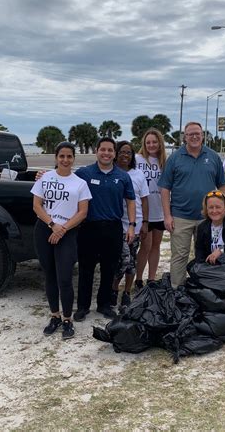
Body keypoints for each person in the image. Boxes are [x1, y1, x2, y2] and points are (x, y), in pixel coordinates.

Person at [31, 142, 92, 339]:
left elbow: (83, 212)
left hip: (67, 233)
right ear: (56, 158)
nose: (65, 160)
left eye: (69, 156)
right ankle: (54, 316)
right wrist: (52, 225)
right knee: (49, 274)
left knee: (64, 277)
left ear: (74, 158)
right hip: (45, 230)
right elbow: (37, 205)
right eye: (61, 156)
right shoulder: (45, 178)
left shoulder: (79, 183)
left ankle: (67, 319)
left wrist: (63, 229)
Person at [158, 121, 225, 287]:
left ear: (203, 135)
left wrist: (224, 210)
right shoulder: (175, 158)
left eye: (198, 133)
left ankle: (204, 290)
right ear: (185, 137)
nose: (195, 136)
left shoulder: (213, 157)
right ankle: (177, 291)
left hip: (207, 217)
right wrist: (167, 216)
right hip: (181, 216)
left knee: (206, 255)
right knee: (179, 256)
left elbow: (222, 185)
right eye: (190, 134)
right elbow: (165, 188)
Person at [73, 137, 136, 321]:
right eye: (103, 150)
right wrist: (43, 176)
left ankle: (104, 305)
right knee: (86, 269)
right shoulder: (84, 173)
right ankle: (83, 307)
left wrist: (131, 225)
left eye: (110, 150)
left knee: (109, 269)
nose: (106, 153)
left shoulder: (123, 176)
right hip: (88, 228)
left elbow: (131, 201)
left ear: (114, 154)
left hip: (113, 228)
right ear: (97, 151)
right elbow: (65, 179)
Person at [112, 141, 149, 308]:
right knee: (122, 260)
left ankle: (126, 292)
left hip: (135, 224)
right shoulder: (110, 172)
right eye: (122, 152)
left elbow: (144, 200)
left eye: (128, 153)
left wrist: (146, 223)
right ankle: (113, 289)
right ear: (116, 153)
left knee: (131, 261)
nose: (125, 155)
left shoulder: (138, 174)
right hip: (115, 225)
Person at [134, 128, 166, 289]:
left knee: (156, 245)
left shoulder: (164, 162)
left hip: (159, 210)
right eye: (148, 142)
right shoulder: (137, 159)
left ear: (160, 143)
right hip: (143, 211)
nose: (151, 145)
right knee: (145, 246)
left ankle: (151, 278)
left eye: (154, 142)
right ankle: (139, 278)